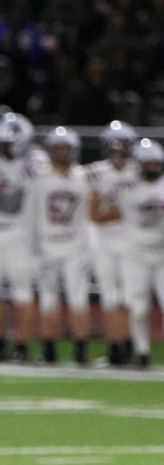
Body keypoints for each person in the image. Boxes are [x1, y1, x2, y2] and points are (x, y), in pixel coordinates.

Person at [0, 112, 47, 363]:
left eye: (5, 143)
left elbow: (19, 201)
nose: (0, 147)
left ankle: (22, 346)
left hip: (22, 233)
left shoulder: (35, 161)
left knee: (21, 291)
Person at [28, 127, 92, 365]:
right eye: (58, 149)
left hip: (75, 247)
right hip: (47, 245)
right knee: (48, 300)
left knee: (79, 300)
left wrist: (88, 246)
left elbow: (88, 215)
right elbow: (32, 215)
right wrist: (33, 247)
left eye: (66, 149)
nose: (62, 154)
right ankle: (49, 350)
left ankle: (81, 350)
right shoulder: (40, 179)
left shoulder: (83, 177)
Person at [86, 121, 139, 366]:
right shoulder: (96, 172)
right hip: (105, 242)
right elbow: (95, 214)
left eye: (123, 145)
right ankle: (115, 347)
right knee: (110, 297)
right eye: (114, 145)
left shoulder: (141, 173)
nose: (118, 150)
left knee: (131, 297)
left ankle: (131, 345)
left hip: (132, 244)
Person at [118, 138, 164, 368]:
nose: (152, 168)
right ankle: (142, 352)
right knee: (138, 307)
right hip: (136, 254)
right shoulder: (128, 188)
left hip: (162, 255)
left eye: (155, 164)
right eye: (148, 164)